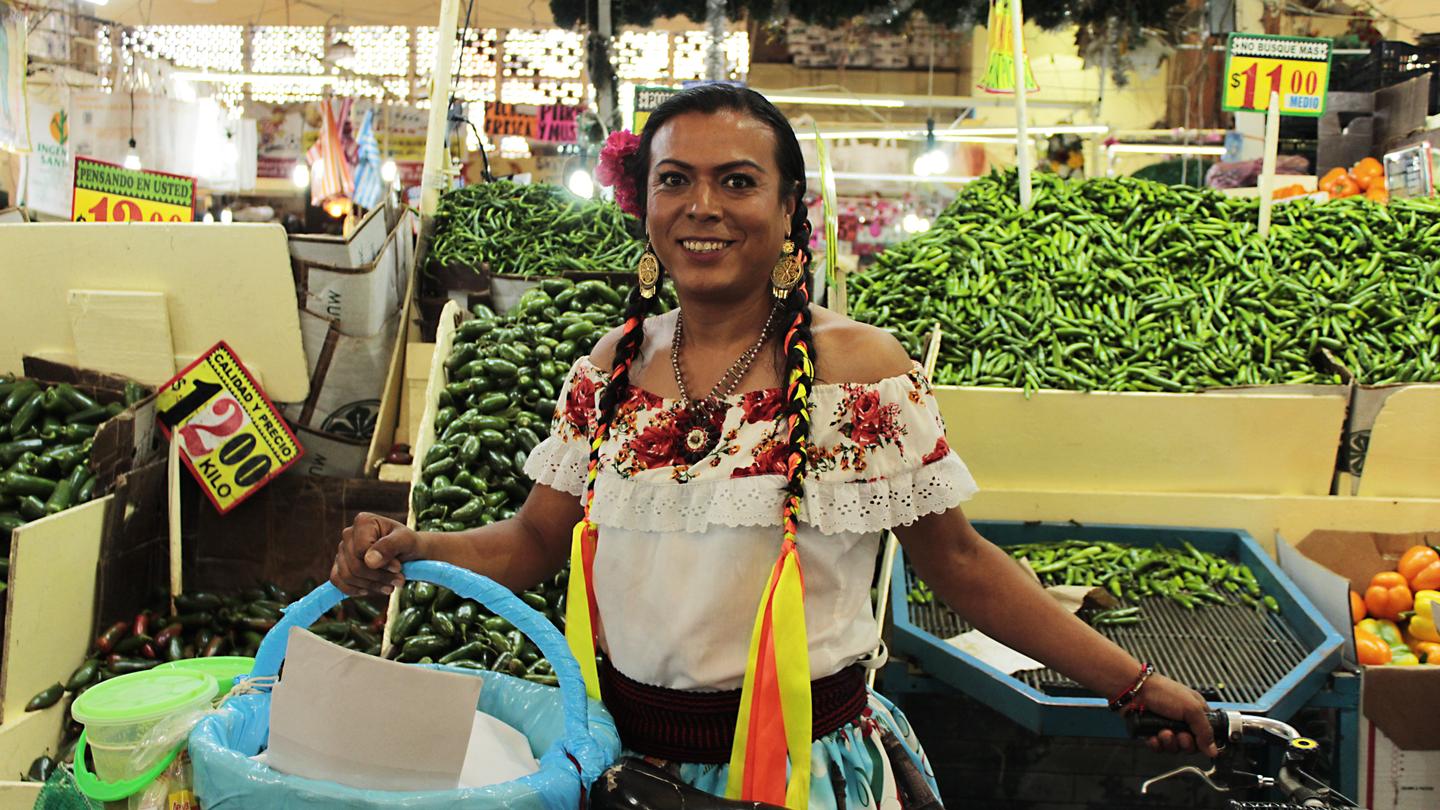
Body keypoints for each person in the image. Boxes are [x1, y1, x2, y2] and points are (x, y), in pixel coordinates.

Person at [331, 84, 1216, 809]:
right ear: (642, 202)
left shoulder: (855, 371)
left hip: (799, 774)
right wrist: (415, 552)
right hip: (620, 772)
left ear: (789, 206)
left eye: (738, 182)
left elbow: (960, 563)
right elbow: (528, 543)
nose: (702, 207)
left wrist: (1131, 682)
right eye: (674, 180)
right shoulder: (606, 370)